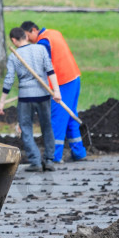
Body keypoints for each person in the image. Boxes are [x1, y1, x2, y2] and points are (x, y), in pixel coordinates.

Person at [0, 27, 62, 172]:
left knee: (26, 129)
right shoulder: (41, 49)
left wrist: (2, 102)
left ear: (13, 40)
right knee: (47, 126)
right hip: (44, 95)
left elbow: (9, 80)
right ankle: (49, 160)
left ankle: (36, 162)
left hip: (25, 98)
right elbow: (50, 71)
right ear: (26, 36)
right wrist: (56, 91)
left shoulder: (14, 55)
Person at [21, 20, 87, 162]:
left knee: (56, 119)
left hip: (63, 82)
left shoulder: (43, 43)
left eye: (27, 36)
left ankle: (54, 156)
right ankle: (79, 152)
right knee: (70, 116)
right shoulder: (53, 33)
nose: (27, 40)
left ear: (33, 30)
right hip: (74, 77)